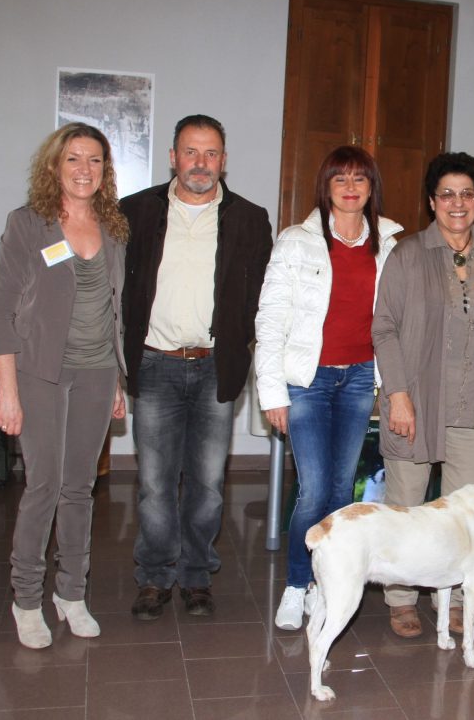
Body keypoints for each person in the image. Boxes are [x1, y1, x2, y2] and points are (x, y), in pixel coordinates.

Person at [121, 115, 272, 620]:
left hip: (213, 368)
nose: (200, 163)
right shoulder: (135, 212)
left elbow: (260, 298)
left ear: (224, 161)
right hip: (155, 365)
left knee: (208, 483)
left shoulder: (249, 218)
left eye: (211, 154)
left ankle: (196, 575)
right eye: (191, 152)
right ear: (173, 157)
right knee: (155, 483)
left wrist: (242, 341)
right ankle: (156, 575)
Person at [0, 123, 128, 648]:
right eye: (74, 159)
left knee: (79, 489)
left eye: (94, 160)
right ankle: (26, 599)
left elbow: (116, 311)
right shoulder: (29, 225)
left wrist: (117, 380)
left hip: (97, 373)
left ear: (104, 170)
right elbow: (1, 313)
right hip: (39, 373)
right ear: (55, 166)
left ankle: (71, 593)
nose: (84, 170)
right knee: (43, 488)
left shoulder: (114, 227)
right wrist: (9, 390)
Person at [372, 152, 474, 638]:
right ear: (431, 201)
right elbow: (384, 328)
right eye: (446, 194)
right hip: (415, 404)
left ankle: (456, 596)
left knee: (464, 516)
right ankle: (400, 598)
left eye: (467, 194)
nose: (457, 204)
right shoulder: (407, 253)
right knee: (407, 507)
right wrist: (397, 394)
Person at [255, 146, 403, 630]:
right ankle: (297, 585)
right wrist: (272, 393)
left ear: (371, 187)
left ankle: (328, 584)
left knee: (343, 488)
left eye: (360, 178)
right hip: (309, 381)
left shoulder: (392, 242)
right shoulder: (296, 242)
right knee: (313, 489)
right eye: (340, 178)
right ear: (326, 186)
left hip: (361, 376)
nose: (350, 187)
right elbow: (271, 320)